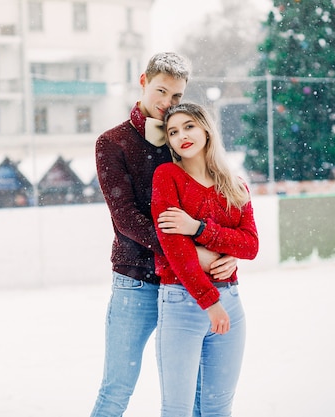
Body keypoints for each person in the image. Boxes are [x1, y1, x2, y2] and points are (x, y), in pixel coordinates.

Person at [91, 52, 238, 417]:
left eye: (176, 97)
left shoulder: (185, 136)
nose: (167, 104)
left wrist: (222, 247)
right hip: (137, 281)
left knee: (197, 396)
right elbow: (126, 218)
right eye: (161, 91)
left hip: (185, 285)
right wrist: (190, 250)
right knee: (117, 388)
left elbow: (211, 200)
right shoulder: (112, 143)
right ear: (143, 81)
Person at [151, 102, 259, 417]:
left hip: (231, 302)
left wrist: (199, 229)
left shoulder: (234, 185)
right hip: (182, 303)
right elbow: (175, 248)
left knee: (217, 408)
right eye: (173, 132)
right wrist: (210, 302)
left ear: (206, 129)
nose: (181, 135)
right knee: (177, 409)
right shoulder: (167, 176)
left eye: (189, 126)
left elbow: (250, 245)